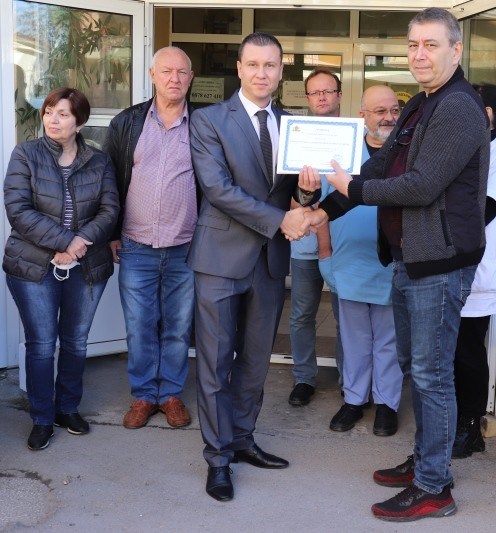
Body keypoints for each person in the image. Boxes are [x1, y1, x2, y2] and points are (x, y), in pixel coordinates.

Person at [300, 8, 489, 521]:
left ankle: (434, 487)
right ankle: (428, 462)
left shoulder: (458, 106)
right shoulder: (419, 105)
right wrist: (320, 210)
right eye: (412, 45)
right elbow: (379, 167)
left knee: (431, 374)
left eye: (431, 44)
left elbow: (421, 186)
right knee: (416, 369)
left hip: (441, 262)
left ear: (456, 49)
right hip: (409, 257)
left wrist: (354, 189)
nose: (419, 55)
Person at [187, 32, 320, 502]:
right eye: (254, 64)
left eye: (271, 65)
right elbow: (217, 189)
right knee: (215, 363)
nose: (262, 73)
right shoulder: (207, 120)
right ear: (239, 69)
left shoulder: (292, 124)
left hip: (268, 261)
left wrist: (307, 193)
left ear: (282, 72)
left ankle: (242, 439)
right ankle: (217, 458)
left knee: (255, 361)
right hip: (220, 259)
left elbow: (296, 194)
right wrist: (282, 219)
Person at [3, 87, 119, 450]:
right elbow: (18, 210)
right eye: (49, 112)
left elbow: (110, 210)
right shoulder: (26, 154)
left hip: (86, 266)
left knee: (75, 342)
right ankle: (41, 417)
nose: (53, 120)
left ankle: (67, 408)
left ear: (79, 122)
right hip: (33, 264)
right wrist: (65, 241)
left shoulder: (99, 161)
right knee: (41, 345)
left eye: (63, 114)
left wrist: (81, 241)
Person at [104, 46, 197, 430]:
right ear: (152, 75)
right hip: (136, 245)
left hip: (186, 247)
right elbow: (109, 181)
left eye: (182, 72)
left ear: (191, 78)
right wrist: (111, 232)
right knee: (140, 325)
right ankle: (144, 394)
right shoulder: (127, 122)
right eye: (167, 71)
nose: (174, 78)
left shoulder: (203, 125)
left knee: (178, 326)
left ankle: (170, 394)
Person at [321, 85, 402, 436]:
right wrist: (325, 255)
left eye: (394, 110)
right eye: (380, 111)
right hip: (349, 262)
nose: (388, 117)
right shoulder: (342, 153)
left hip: (392, 262)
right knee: (353, 338)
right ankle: (354, 400)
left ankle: (387, 404)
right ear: (362, 116)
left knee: (388, 339)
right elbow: (321, 207)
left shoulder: (406, 153)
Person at [453, 84, 496, 459]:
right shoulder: (465, 151)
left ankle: (471, 428)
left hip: (477, 269)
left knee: (467, 352)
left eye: (481, 112)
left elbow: (485, 211)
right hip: (449, 264)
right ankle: (453, 425)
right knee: (449, 353)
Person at [288, 68, 344, 407]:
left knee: (346, 318)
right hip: (306, 244)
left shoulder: (354, 137)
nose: (322, 97)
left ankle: (350, 381)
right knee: (301, 315)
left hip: (344, 246)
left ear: (339, 94)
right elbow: (291, 201)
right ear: (307, 98)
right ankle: (304, 379)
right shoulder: (297, 139)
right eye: (315, 92)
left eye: (328, 91)